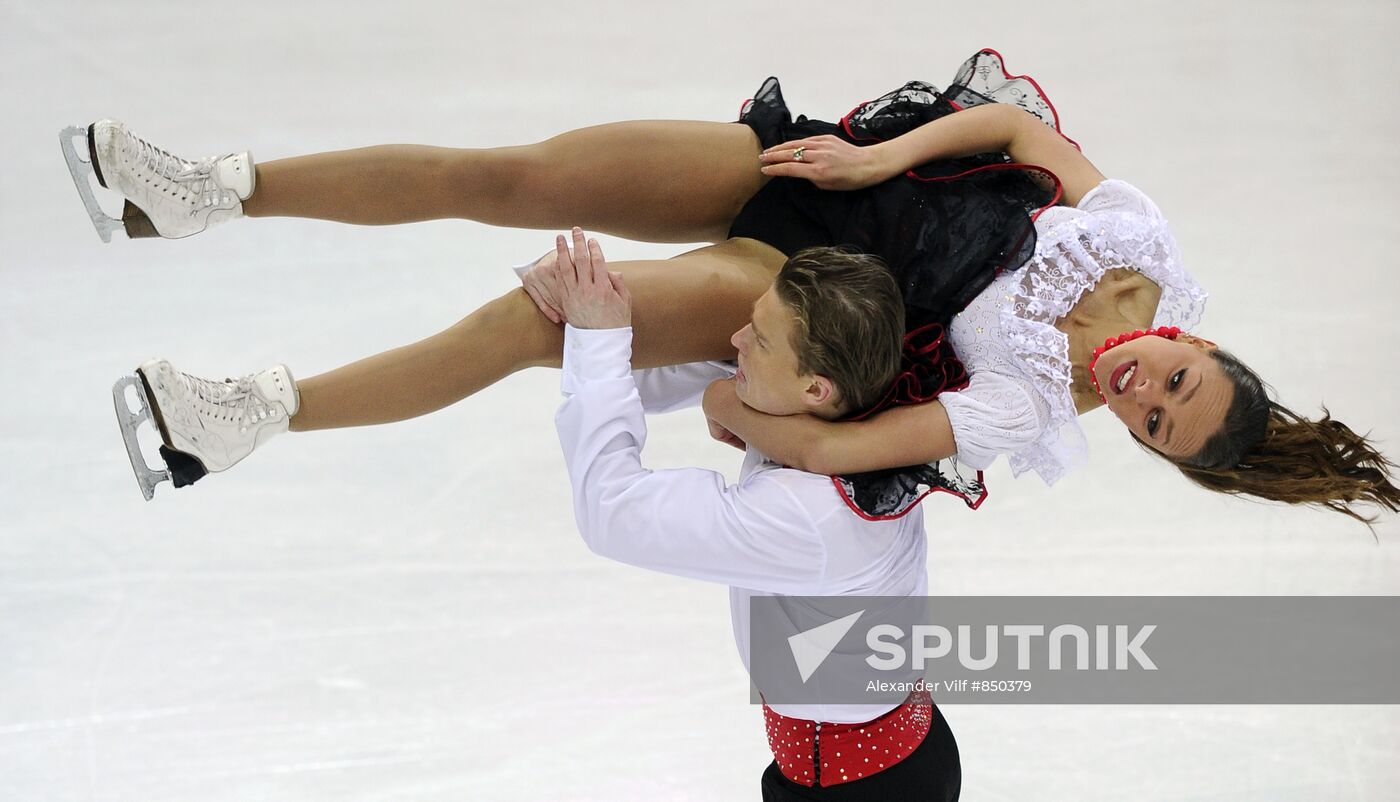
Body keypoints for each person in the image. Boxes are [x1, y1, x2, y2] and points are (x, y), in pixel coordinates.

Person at [78, 49, 1399, 524]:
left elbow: (864, 437)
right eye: (1181, 377)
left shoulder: (1022, 410)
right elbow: (1016, 138)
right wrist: (877, 147)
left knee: (530, 319)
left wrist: (746, 400)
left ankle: (247, 416)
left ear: (1146, 442)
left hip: (807, 278)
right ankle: (203, 190)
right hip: (830, 169)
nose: (1145, 388)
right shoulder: (1145, 242)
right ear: (1202, 345)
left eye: (1157, 419)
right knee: (513, 170)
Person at [549, 231, 959, 800]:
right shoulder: (869, 395)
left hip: (858, 789)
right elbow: (687, 378)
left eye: (759, 340)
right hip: (880, 755)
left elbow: (609, 511)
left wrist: (600, 341)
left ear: (817, 388)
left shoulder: (809, 517)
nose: (736, 337)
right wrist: (601, 342)